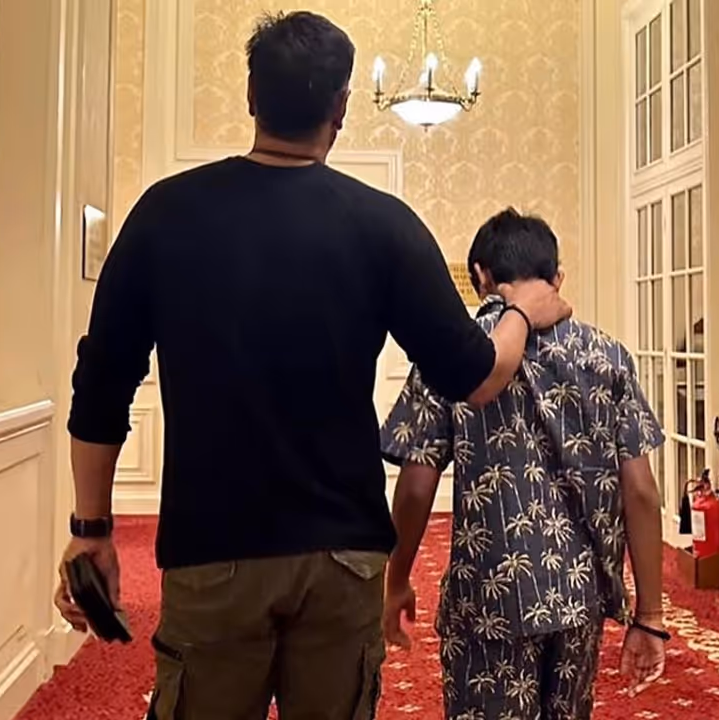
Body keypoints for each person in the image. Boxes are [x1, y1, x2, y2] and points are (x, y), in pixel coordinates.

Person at [53, 11, 571, 720]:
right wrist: (520, 309)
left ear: (250, 96)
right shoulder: (384, 225)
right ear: (342, 106)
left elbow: (101, 384)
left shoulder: (165, 214)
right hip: (342, 553)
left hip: (212, 549)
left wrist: (91, 530)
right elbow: (478, 375)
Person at [380, 208, 669, 719]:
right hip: (579, 592)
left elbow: (418, 484)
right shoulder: (608, 357)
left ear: (480, 277)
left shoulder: (454, 355)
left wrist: (397, 577)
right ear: (557, 277)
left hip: (488, 594)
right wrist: (649, 615)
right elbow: (641, 491)